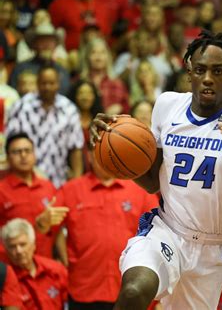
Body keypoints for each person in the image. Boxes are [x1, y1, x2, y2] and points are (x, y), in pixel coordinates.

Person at [90, 30, 222, 310]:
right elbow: (153, 181)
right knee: (134, 290)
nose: (208, 78)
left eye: (217, 70)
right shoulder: (167, 105)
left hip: (213, 249)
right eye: (200, 70)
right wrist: (112, 149)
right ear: (189, 73)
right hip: (167, 230)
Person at [39, 145, 158, 310]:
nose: (103, 158)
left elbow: (156, 237)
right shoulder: (70, 190)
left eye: (107, 153)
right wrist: (42, 223)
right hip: (84, 289)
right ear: (89, 156)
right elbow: (46, 230)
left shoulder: (140, 190)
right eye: (98, 153)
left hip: (131, 287)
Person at [6, 64, 84, 187]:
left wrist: (77, 181)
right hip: (26, 182)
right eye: (43, 83)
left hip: (59, 180)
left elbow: (76, 148)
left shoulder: (69, 109)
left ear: (58, 84)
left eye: (51, 83)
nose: (47, 87)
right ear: (37, 83)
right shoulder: (21, 107)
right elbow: (11, 145)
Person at [0, 133, 68, 258]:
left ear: (34, 154)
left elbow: (57, 230)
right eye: (17, 152)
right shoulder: (2, 190)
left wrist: (64, 260)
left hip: (44, 264)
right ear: (8, 158)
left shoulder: (47, 186)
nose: (23, 155)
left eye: (27, 151)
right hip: (12, 265)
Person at [1, 218, 68, 310]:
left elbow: (68, 301)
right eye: (12, 247)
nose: (19, 251)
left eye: (23, 244)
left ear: (33, 245)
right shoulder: (4, 279)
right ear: (6, 250)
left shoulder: (55, 270)